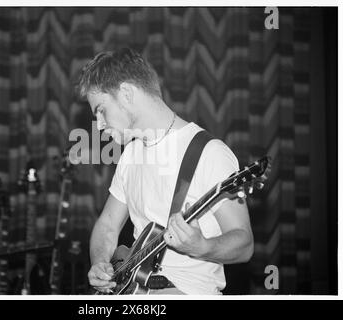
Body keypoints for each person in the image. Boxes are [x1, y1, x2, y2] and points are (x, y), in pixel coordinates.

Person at [76, 47, 254, 295]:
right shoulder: (130, 154)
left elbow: (244, 244)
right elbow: (107, 225)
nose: (100, 125)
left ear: (126, 93)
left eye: (101, 110)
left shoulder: (209, 153)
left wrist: (201, 246)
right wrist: (99, 262)